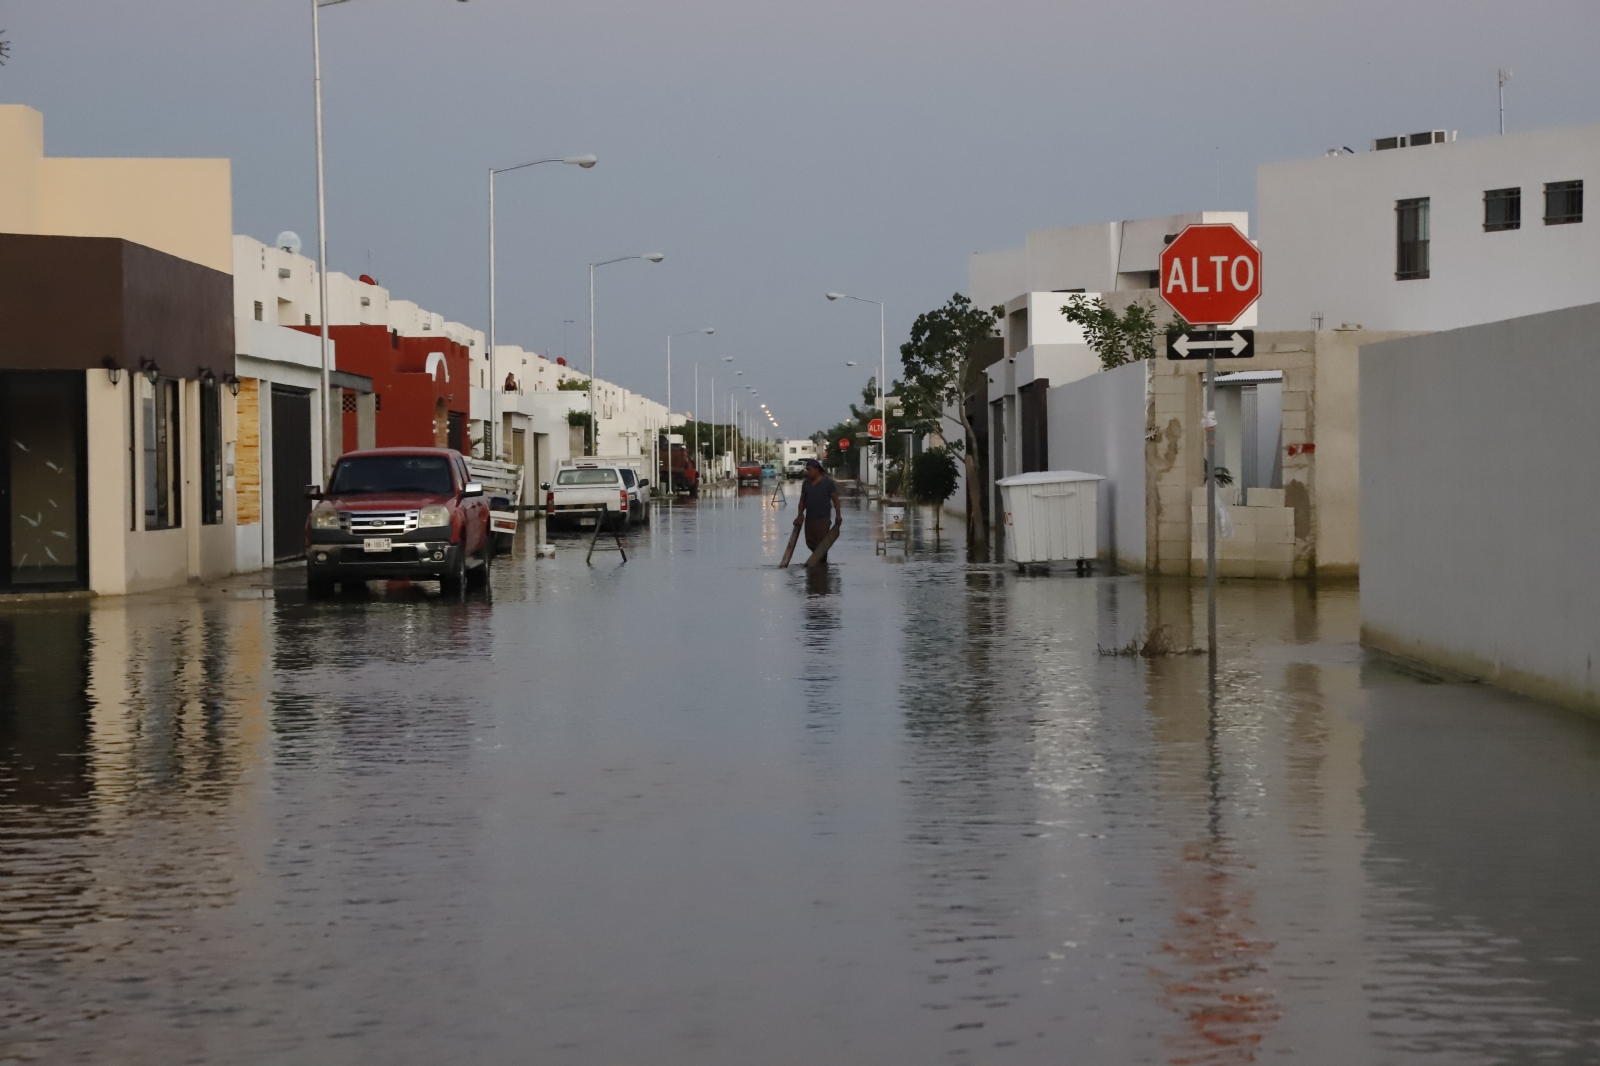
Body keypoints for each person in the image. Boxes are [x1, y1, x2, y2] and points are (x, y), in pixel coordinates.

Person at [794, 458, 841, 560]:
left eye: (809, 469)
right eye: (807, 469)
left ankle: (821, 565)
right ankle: (817, 562)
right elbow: (802, 501)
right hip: (810, 518)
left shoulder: (828, 483)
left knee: (821, 543)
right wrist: (799, 515)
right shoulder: (806, 483)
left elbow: (835, 500)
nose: (808, 472)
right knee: (810, 542)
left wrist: (838, 515)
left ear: (817, 469)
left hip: (823, 519)